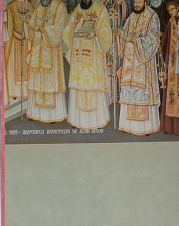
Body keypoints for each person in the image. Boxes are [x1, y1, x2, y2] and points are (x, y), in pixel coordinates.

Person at [63, 0, 113, 130]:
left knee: (93, 87)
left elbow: (106, 31)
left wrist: (96, 33)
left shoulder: (101, 9)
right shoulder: (77, 10)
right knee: (78, 87)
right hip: (78, 57)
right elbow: (68, 29)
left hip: (93, 56)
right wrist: (73, 27)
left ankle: (96, 121)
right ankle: (77, 120)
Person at [115, 0, 161, 135]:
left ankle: (145, 128)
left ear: (145, 2)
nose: (136, 4)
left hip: (144, 64)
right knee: (129, 93)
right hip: (130, 64)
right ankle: (126, 125)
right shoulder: (131, 17)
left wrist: (135, 41)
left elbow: (153, 39)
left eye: (139, 1)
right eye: (135, 1)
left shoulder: (152, 16)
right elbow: (125, 33)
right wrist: (119, 34)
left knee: (143, 94)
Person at [25, 0, 68, 122]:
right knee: (37, 78)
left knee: (51, 80)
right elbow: (33, 22)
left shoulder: (60, 6)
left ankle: (53, 115)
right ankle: (36, 113)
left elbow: (60, 29)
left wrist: (44, 29)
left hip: (51, 51)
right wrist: (32, 24)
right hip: (38, 49)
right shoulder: (39, 5)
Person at [163, 0, 179, 136]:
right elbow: (166, 41)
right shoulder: (171, 22)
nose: (171, 12)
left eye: (172, 9)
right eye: (169, 11)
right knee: (172, 93)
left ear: (177, 8)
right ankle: (172, 128)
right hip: (172, 63)